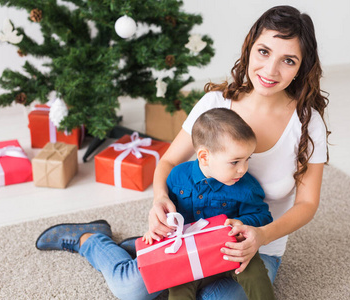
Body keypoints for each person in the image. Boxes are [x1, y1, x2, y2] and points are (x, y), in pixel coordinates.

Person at [35, 5, 329, 300]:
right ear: (250, 48)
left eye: (288, 60)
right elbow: (170, 161)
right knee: (130, 290)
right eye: (264, 52)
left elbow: (306, 203)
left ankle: (136, 246)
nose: (271, 70)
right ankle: (92, 240)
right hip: (192, 234)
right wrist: (160, 199)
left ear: (301, 67)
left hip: (257, 246)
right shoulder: (215, 104)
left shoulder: (307, 121)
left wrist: (262, 236)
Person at [140, 108, 274, 300]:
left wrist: (240, 222)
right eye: (235, 162)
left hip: (232, 250)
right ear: (204, 157)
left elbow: (263, 216)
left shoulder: (247, 187)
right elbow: (168, 215)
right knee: (177, 284)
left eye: (247, 159)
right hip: (190, 253)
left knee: (255, 272)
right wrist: (159, 228)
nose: (243, 169)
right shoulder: (177, 176)